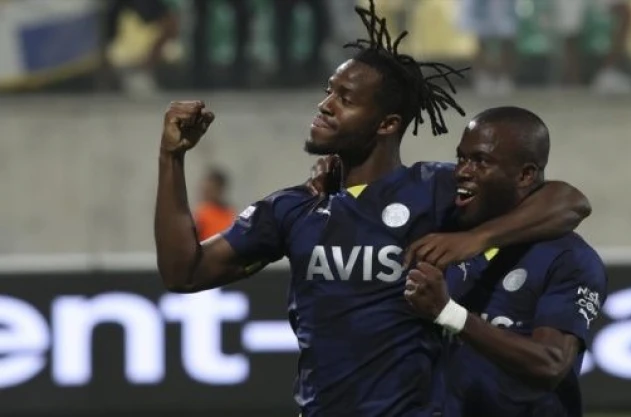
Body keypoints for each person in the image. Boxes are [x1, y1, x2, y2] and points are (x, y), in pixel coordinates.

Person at [154, 1, 591, 415]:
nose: (325, 105)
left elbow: (569, 202)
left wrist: (474, 239)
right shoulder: (295, 207)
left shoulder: (433, 190)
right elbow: (184, 272)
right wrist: (171, 157)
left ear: (387, 124)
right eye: (329, 92)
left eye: (345, 99)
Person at [404, 107, 607, 417]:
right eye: (461, 158)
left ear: (525, 175)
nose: (462, 171)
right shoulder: (445, 228)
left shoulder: (568, 258)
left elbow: (551, 364)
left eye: (481, 161)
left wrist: (449, 313)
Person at [193, 167, 235, 241]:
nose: (206, 194)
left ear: (220, 189)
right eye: (205, 190)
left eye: (210, 190)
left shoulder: (230, 214)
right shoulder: (200, 215)